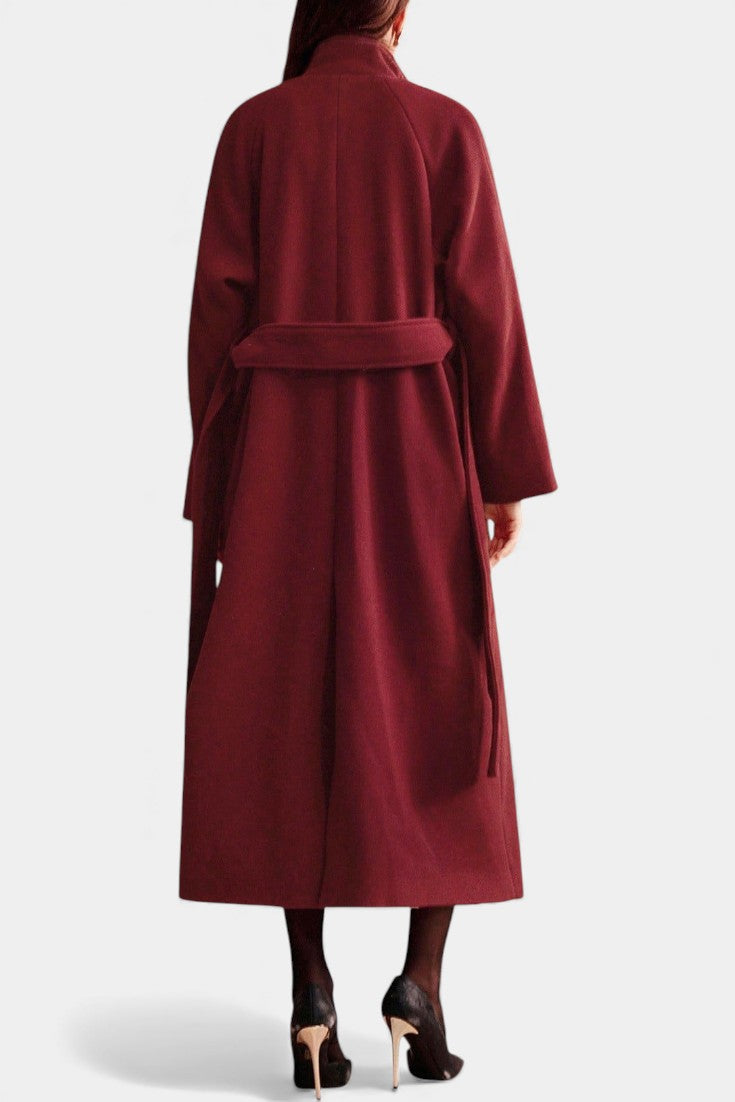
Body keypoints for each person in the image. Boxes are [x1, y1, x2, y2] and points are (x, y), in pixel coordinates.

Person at [179, 0, 558, 1094]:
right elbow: (488, 307)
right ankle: (420, 985)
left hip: (280, 454)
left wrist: (219, 472)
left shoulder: (255, 128)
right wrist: (505, 473)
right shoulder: (445, 128)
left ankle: (311, 992)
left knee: (282, 700)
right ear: (395, 11)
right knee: (442, 696)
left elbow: (215, 318)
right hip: (417, 448)